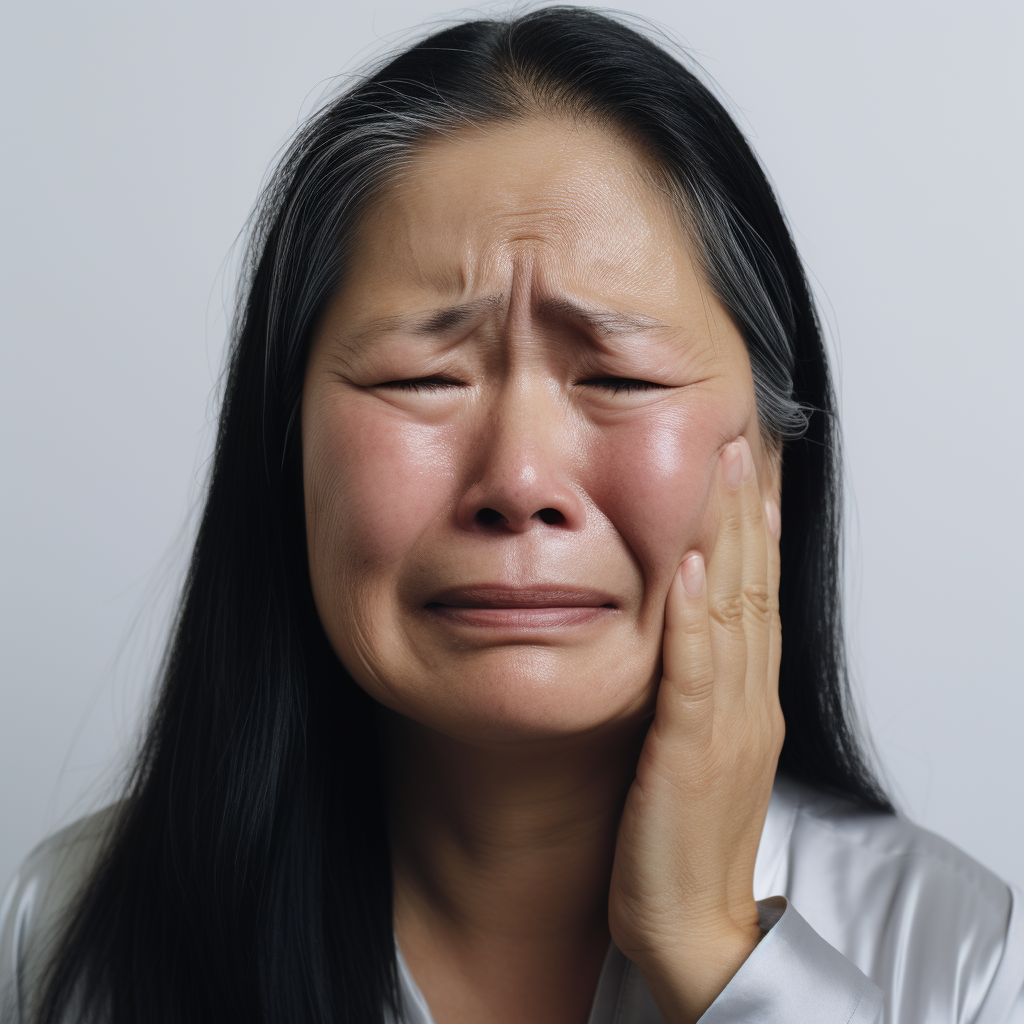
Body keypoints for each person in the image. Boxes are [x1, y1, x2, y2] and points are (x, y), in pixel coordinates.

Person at [1, 7, 1021, 1023]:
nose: (520, 476)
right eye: (425, 376)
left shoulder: (964, 961)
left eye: (618, 377)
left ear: (769, 464)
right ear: (285, 443)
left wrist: (715, 953)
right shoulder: (66, 933)